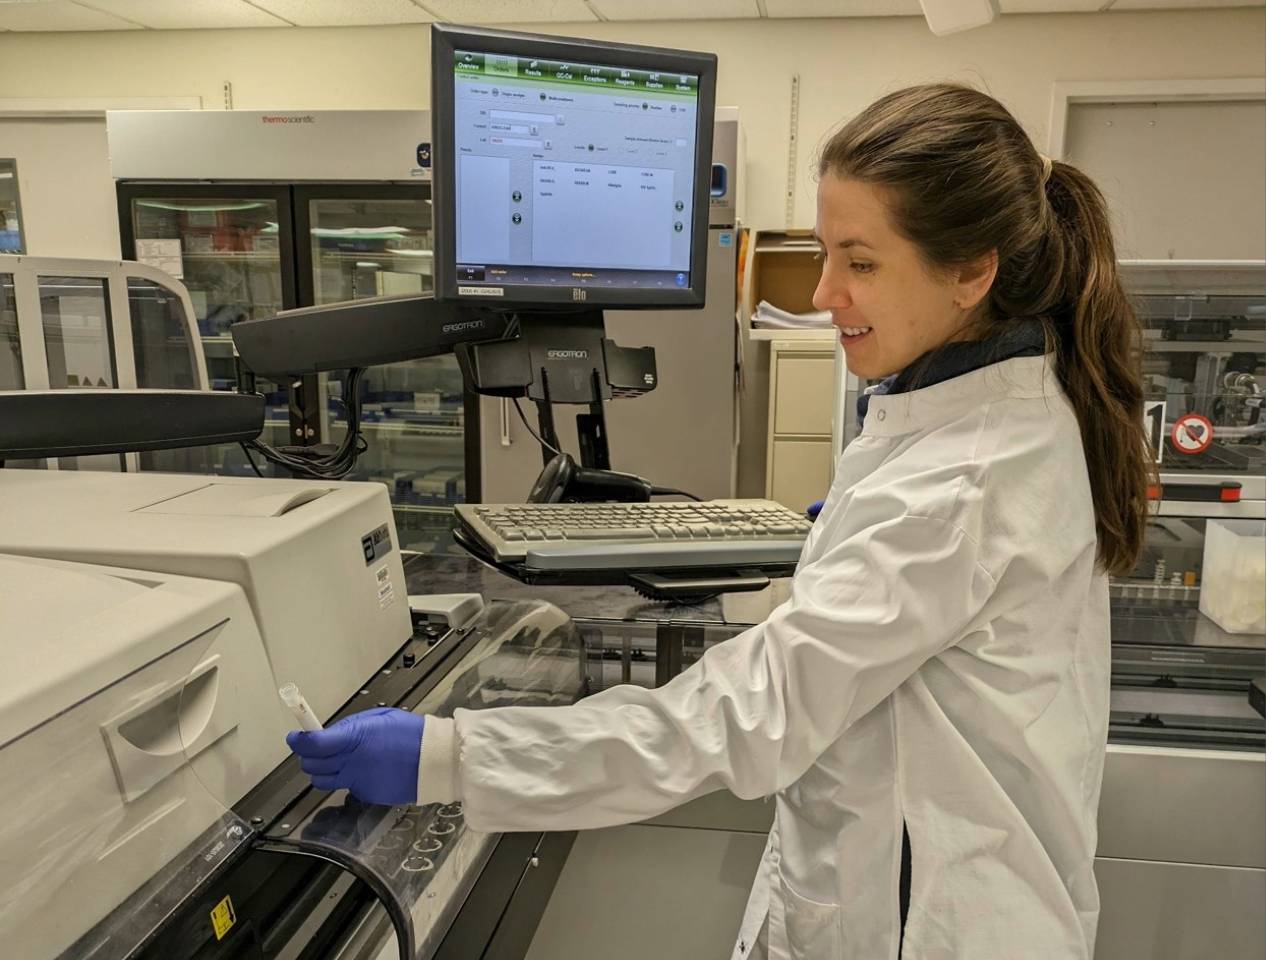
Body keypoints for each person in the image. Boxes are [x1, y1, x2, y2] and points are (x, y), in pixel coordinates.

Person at [287, 83, 1153, 959]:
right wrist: (846, 541)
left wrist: (450, 756)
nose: (822, 293)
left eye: (860, 263)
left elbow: (742, 716)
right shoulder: (981, 411)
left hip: (928, 925)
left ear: (973, 272)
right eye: (825, 254)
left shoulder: (959, 481)